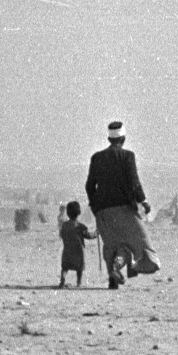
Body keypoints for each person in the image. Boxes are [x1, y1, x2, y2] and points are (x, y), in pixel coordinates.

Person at [85, 120, 159, 289]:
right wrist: (144, 202)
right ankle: (129, 267)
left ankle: (114, 274)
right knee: (141, 246)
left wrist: (96, 207)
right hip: (124, 210)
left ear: (109, 139)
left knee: (113, 245)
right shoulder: (128, 156)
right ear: (123, 138)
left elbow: (89, 186)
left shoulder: (96, 158)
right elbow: (134, 183)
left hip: (103, 212)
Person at [57, 200, 94, 288]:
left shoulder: (65, 225)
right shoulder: (80, 226)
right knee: (79, 269)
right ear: (79, 213)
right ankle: (79, 283)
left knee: (65, 267)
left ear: (68, 213)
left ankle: (62, 279)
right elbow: (88, 235)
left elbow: (62, 234)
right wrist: (96, 233)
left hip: (67, 250)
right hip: (78, 252)